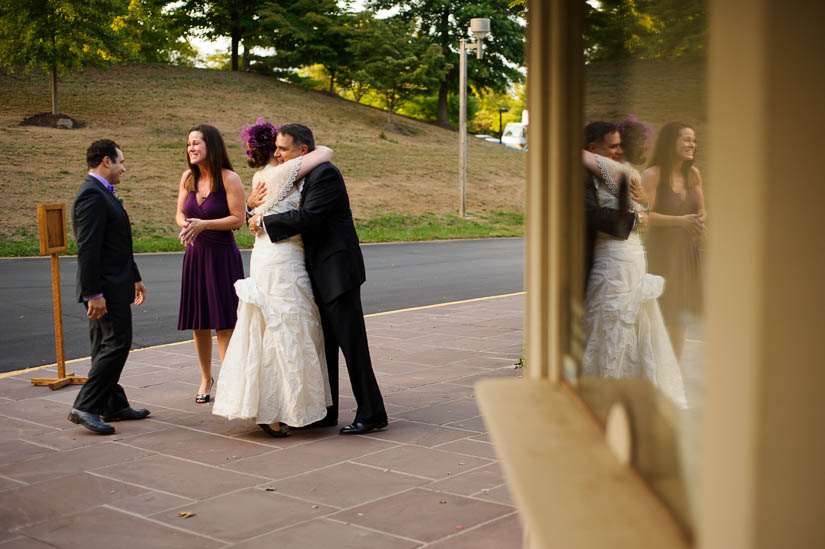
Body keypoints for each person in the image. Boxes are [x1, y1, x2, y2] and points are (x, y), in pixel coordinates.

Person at [248, 123, 388, 435]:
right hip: (316, 273)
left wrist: (263, 221)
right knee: (326, 347)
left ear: (303, 151)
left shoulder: (325, 174)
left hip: (337, 272)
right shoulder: (300, 175)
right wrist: (253, 207)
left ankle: (373, 413)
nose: (277, 154)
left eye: (283, 149)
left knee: (353, 347)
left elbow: (308, 218)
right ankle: (327, 410)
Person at [212, 119, 334, 436]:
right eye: (277, 148)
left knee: (270, 326)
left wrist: (254, 214)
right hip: (283, 260)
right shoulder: (282, 174)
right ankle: (276, 408)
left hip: (266, 256)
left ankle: (270, 405)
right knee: (289, 328)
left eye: (283, 148)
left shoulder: (260, 177)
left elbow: (259, 213)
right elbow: (326, 152)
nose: (280, 154)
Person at [581, 123, 687, 408]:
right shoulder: (619, 173)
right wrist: (643, 214)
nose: (619, 150)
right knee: (614, 322)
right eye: (613, 145)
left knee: (621, 323)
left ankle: (613, 388)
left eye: (619, 144)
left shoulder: (623, 172)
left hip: (622, 257)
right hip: (621, 255)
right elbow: (641, 212)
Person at [68, 139, 150, 434]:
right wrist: (93, 294)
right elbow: (88, 250)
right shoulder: (91, 196)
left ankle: (112, 404)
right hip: (103, 289)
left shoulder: (101, 193)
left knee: (105, 345)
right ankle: (85, 406)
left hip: (116, 283)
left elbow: (117, 243)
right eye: (120, 162)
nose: (123, 168)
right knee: (117, 343)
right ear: (106, 161)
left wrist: (135, 276)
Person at [176, 124, 245, 403]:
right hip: (195, 255)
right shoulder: (187, 178)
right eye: (188, 144)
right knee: (199, 322)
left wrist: (205, 225)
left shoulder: (230, 178)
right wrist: (187, 226)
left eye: (196, 143)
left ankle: (229, 381)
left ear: (211, 146)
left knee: (224, 322)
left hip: (222, 257)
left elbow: (237, 219)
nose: (191, 148)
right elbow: (180, 213)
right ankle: (206, 378)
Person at [642, 122, 706, 359]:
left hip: (687, 252)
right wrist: (681, 221)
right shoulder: (652, 175)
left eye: (694, 140)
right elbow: (642, 218)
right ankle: (653, 365)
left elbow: (702, 210)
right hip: (661, 253)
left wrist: (699, 221)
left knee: (679, 313)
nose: (692, 145)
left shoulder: (694, 174)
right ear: (671, 142)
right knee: (660, 312)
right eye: (686, 139)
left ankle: (673, 369)